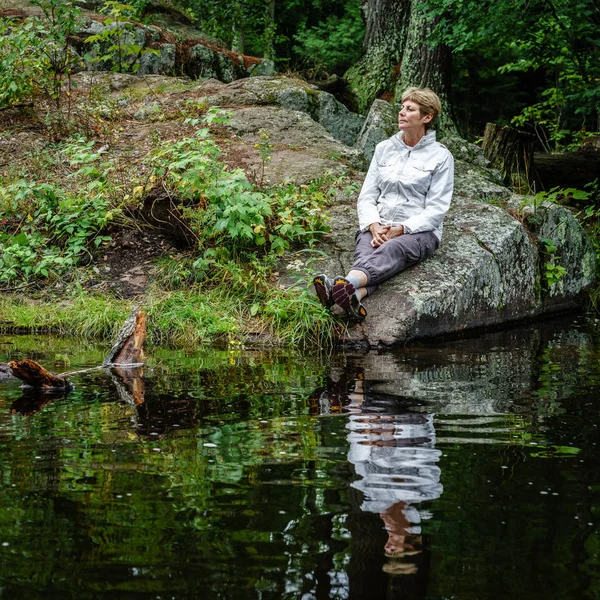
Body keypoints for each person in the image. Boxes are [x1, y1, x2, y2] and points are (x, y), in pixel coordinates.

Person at [313, 87, 454, 320]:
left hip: (419, 233)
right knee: (367, 249)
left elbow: (437, 209)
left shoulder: (441, 156)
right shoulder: (384, 148)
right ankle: (353, 297)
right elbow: (367, 195)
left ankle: (342, 285)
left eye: (410, 109)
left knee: (392, 249)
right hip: (380, 225)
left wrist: (402, 229)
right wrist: (374, 225)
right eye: (402, 107)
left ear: (426, 118)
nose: (401, 112)